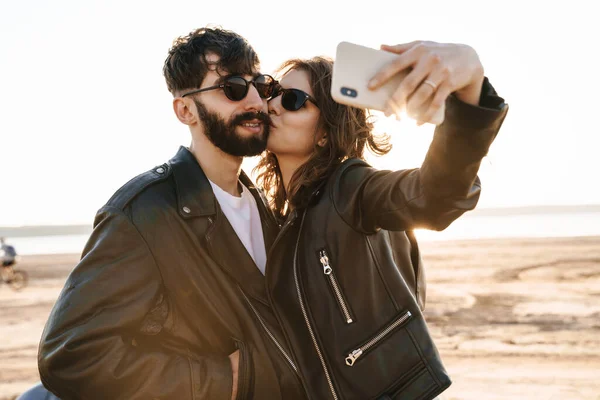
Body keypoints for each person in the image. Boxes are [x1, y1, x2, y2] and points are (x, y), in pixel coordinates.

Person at [37, 27, 307, 400]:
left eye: (259, 85)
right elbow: (70, 354)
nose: (255, 102)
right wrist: (217, 382)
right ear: (185, 110)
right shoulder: (144, 213)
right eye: (231, 87)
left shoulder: (266, 208)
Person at [254, 45, 508, 399]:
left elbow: (435, 196)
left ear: (326, 131)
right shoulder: (277, 220)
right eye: (273, 93)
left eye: (294, 100)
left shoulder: (351, 189)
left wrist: (470, 88)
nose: (273, 105)